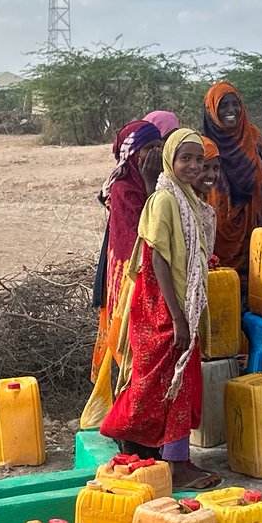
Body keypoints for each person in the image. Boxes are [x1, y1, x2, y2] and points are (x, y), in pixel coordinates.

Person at [100, 128, 222, 490]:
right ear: (171, 159)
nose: (194, 166)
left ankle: (151, 448)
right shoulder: (164, 201)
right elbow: (157, 262)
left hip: (180, 305)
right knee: (168, 383)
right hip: (161, 306)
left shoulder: (190, 201)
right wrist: (177, 316)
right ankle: (177, 464)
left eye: (199, 160)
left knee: (170, 384)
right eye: (186, 158)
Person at [91, 119, 165, 376]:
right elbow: (144, 236)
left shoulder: (162, 183)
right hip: (131, 280)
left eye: (160, 147)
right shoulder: (123, 188)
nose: (155, 154)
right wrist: (149, 184)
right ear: (132, 154)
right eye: (149, 148)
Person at [201, 81, 262, 278]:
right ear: (212, 110)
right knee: (225, 288)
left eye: (236, 104)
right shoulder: (203, 147)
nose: (231, 110)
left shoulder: (255, 138)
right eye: (223, 105)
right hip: (220, 238)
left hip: (259, 230)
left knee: (261, 284)